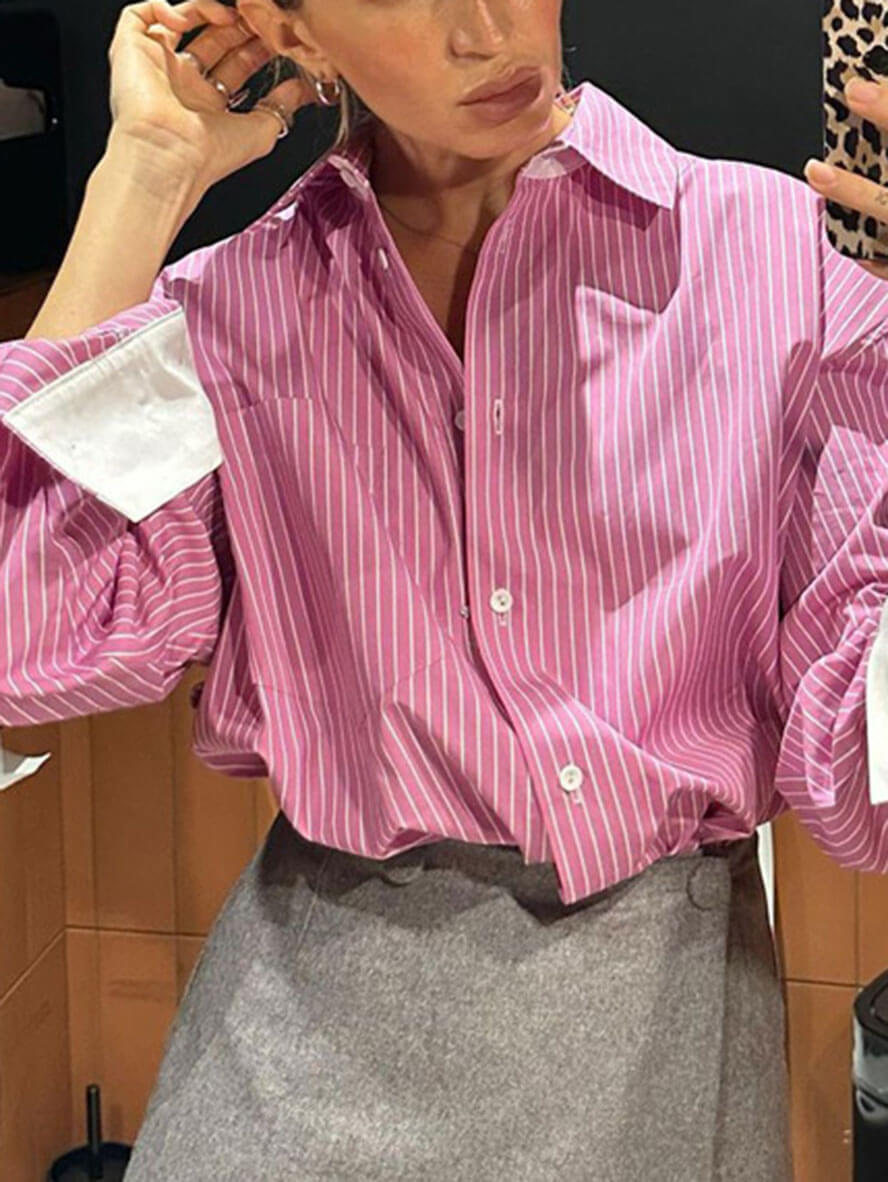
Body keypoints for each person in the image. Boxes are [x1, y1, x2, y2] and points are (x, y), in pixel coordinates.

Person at [6, 0, 888, 1176]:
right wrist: (145, 175)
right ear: (290, 30)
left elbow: (866, 779)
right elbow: (26, 640)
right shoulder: (234, 306)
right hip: (295, 1045)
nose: (485, 30)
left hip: (654, 1036)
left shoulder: (779, 259)